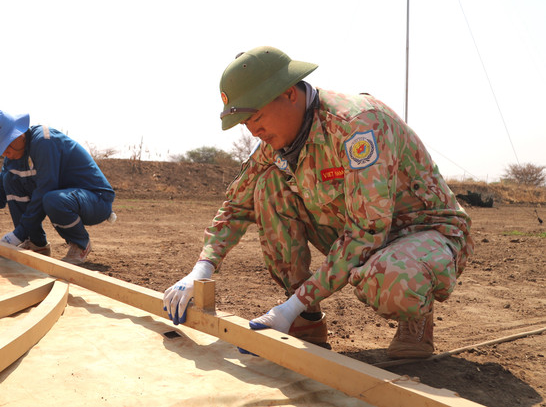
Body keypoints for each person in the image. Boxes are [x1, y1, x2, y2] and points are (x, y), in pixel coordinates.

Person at [163, 46, 473, 359]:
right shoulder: (279, 141)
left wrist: (287, 307)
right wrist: (201, 270)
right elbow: (236, 205)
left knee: (390, 278)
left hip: (423, 235)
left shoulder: (357, 126)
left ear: (289, 94)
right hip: (363, 233)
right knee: (267, 186)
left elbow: (366, 232)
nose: (254, 130)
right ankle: (306, 319)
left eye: (256, 117)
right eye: (246, 124)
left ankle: (415, 320)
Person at [0, 110, 115, 264]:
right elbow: (0, 187)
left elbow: (46, 188)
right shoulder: (15, 154)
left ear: (19, 135)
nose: (5, 153)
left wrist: (18, 234)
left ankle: (81, 244)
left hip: (96, 200)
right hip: (68, 198)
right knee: (10, 180)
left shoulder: (44, 142)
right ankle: (36, 244)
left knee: (52, 200)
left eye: (6, 145)